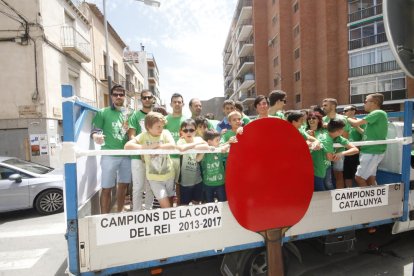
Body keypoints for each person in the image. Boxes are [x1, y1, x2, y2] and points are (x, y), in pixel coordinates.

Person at [91, 84, 131, 214]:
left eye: (121, 94)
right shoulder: (103, 112)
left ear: (125, 96)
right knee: (107, 187)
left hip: (126, 155)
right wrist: (96, 136)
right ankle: (104, 218)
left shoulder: (129, 113)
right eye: (115, 94)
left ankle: (119, 213)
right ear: (111, 97)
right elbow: (95, 130)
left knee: (123, 185)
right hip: (109, 154)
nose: (118, 96)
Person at [124, 112, 176, 208]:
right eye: (158, 127)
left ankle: (167, 222)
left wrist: (158, 147)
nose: (161, 129)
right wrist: (147, 147)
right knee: (165, 205)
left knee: (170, 202)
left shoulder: (165, 133)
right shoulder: (144, 135)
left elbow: (172, 145)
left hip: (169, 175)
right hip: (154, 178)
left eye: (162, 126)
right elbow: (127, 146)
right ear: (148, 126)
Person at [347, 93, 388, 187]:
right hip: (370, 151)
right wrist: (356, 127)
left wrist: (346, 118)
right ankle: (376, 199)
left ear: (374, 103)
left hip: (372, 151)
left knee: (359, 178)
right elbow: (364, 133)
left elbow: (356, 123)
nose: (363, 104)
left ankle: (368, 200)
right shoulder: (376, 115)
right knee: (370, 178)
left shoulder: (378, 113)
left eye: (365, 101)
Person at [128, 89, 154, 211]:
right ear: (141, 100)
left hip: (154, 157)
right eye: (144, 98)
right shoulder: (135, 115)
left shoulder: (156, 115)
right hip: (137, 157)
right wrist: (143, 148)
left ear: (153, 99)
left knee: (150, 186)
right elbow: (131, 136)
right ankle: (136, 213)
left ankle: (148, 211)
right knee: (137, 187)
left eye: (149, 97)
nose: (147, 99)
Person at [320, 119, 359, 190]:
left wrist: (341, 153)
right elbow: (330, 158)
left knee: (328, 184)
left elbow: (355, 150)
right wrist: (337, 155)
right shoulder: (326, 139)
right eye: (343, 129)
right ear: (339, 131)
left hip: (325, 165)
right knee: (320, 186)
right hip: (317, 167)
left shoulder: (338, 137)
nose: (344, 130)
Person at [176, 119, 208, 205]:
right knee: (184, 206)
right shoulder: (181, 141)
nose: (188, 132)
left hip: (198, 180)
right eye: (185, 130)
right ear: (181, 132)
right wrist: (197, 145)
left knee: (196, 203)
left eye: (191, 130)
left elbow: (205, 147)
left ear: (196, 131)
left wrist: (200, 147)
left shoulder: (198, 139)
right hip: (184, 182)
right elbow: (182, 148)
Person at [322, 98, 352, 189]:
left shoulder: (342, 118)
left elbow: (345, 137)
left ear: (333, 106)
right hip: (325, 152)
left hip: (338, 152)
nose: (323, 107)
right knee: (325, 176)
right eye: (323, 105)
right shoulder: (323, 119)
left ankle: (339, 197)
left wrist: (339, 153)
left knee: (338, 175)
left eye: (325, 105)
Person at [165, 93, 187, 204]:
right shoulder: (164, 120)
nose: (177, 104)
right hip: (168, 157)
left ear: (183, 104)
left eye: (179, 102)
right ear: (171, 104)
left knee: (179, 186)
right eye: (175, 102)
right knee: (168, 186)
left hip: (183, 158)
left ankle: (178, 209)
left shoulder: (187, 120)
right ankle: (168, 211)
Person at [199, 130, 230, 203]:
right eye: (217, 140)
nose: (219, 142)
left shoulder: (219, 150)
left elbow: (226, 148)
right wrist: (206, 149)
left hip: (220, 183)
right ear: (209, 142)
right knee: (209, 204)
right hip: (208, 184)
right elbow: (198, 159)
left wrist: (227, 145)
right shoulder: (204, 152)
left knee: (223, 203)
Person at [306, 112, 331, 191]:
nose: (311, 120)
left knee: (327, 185)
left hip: (323, 164)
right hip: (308, 165)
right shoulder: (304, 130)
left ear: (319, 120)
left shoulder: (324, 131)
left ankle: (332, 202)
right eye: (309, 118)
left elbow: (323, 143)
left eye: (314, 118)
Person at [343, 105, 363, 188]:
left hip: (358, 152)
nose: (350, 111)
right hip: (345, 152)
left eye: (352, 109)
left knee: (358, 175)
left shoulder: (360, 122)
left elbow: (365, 134)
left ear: (355, 111)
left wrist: (356, 126)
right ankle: (349, 192)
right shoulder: (342, 122)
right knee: (347, 174)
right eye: (346, 110)